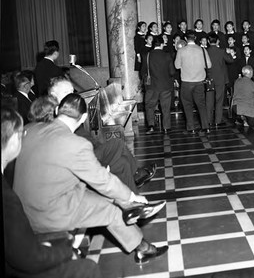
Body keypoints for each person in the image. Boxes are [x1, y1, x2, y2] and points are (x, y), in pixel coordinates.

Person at [14, 94, 168, 264]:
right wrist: (132, 196)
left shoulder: (31, 129)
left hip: (22, 207)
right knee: (111, 210)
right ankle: (143, 243)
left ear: (57, 110)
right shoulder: (74, 144)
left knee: (111, 198)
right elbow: (103, 181)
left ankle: (134, 215)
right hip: (48, 211)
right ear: (85, 117)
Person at [2, 107, 102, 278]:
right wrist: (64, 251)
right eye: (21, 135)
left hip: (24, 245)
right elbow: (28, 259)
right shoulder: (7, 199)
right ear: (12, 142)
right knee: (88, 268)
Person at [48, 77, 156, 192]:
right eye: (66, 93)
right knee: (116, 143)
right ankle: (136, 176)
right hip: (83, 161)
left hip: (92, 150)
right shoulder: (55, 117)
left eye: (71, 91)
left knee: (123, 163)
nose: (72, 96)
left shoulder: (70, 110)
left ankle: (133, 202)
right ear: (53, 95)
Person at [174, 30, 211, 134]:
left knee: (187, 105)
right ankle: (205, 126)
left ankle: (191, 128)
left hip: (186, 82)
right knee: (201, 105)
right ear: (195, 38)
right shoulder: (202, 50)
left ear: (185, 39)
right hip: (199, 81)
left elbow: (177, 66)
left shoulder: (181, 51)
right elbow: (209, 65)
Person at [143, 39, 176, 134]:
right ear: (161, 45)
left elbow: (143, 72)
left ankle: (151, 126)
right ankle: (166, 127)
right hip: (165, 85)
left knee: (150, 106)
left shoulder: (147, 56)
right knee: (165, 107)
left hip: (151, 86)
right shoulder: (167, 55)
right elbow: (172, 72)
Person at [206, 34, 234, 126]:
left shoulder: (205, 51)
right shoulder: (221, 51)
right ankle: (218, 121)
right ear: (217, 41)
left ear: (208, 41)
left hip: (209, 78)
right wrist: (229, 52)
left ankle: (208, 121)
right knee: (219, 100)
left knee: (209, 100)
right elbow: (230, 60)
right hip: (220, 79)